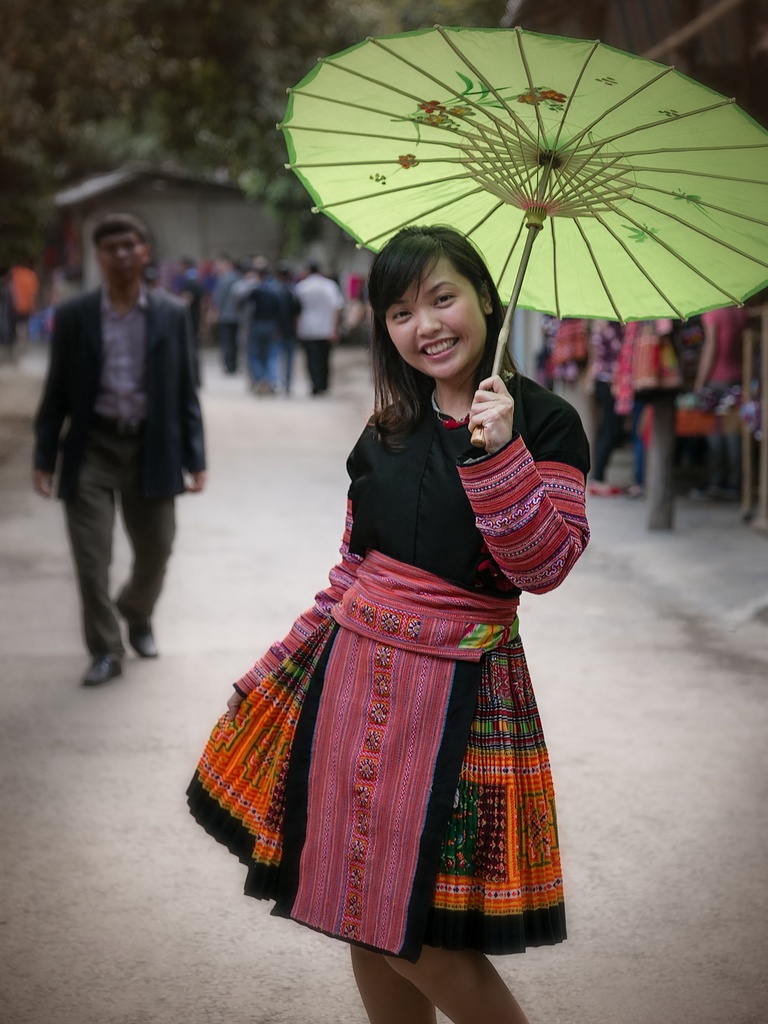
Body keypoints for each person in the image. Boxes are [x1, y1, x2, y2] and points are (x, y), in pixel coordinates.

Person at [187, 226, 590, 1024]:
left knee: (423, 931)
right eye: (401, 312)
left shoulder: (545, 423)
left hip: (460, 699)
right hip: (351, 683)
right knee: (360, 913)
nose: (426, 326)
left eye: (444, 299)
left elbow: (542, 568)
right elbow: (349, 572)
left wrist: (500, 454)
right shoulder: (386, 427)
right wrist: (276, 670)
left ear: (486, 297)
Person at [32, 213, 206, 688]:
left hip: (153, 447)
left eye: (131, 245)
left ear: (144, 251)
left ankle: (136, 610)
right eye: (112, 248)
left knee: (157, 549)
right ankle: (105, 649)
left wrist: (197, 457)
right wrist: (45, 457)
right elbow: (58, 391)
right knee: (92, 558)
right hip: (91, 448)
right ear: (100, 256)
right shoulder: (75, 316)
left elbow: (186, 390)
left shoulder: (171, 313)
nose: (123, 255)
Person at [692, 305, 747, 499]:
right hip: (737, 376)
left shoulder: (713, 312)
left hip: (716, 379)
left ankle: (717, 481)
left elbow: (711, 347)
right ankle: (735, 483)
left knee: (715, 434)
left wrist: (700, 382)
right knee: (733, 433)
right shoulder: (740, 311)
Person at [587, 319, 625, 496]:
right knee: (611, 429)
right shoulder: (607, 326)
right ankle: (599, 476)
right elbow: (620, 350)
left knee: (606, 428)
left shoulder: (599, 325)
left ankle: (598, 475)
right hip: (608, 381)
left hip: (602, 380)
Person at [295, 260, 344, 395]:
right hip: (326, 328)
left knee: (311, 358)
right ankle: (323, 384)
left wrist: (297, 327)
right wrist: (335, 328)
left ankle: (314, 384)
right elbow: (337, 307)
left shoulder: (301, 287)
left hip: (308, 329)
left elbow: (297, 310)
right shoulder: (329, 286)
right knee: (325, 358)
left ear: (308, 271)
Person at [241, 257, 282, 395]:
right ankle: (271, 379)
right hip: (272, 325)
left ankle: (260, 378)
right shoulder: (276, 291)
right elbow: (280, 311)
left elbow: (243, 303)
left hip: (258, 325)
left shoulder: (255, 291)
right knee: (271, 355)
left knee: (254, 354)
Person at [274, 261, 301, 394]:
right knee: (289, 358)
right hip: (290, 329)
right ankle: (287, 383)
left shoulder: (274, 290)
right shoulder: (293, 291)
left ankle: (276, 382)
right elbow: (297, 312)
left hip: (277, 329)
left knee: (276, 357)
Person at [211, 255, 242, 374]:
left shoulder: (223, 279)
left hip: (226, 316)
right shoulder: (238, 277)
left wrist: (214, 313)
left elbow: (219, 299)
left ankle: (229, 366)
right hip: (237, 315)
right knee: (235, 342)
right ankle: (234, 364)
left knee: (227, 342)